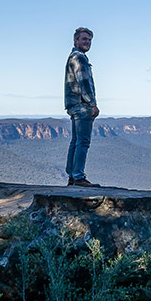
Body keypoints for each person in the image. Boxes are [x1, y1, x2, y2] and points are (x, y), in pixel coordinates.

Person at [64, 27, 100, 187]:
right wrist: (92, 104)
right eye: (84, 39)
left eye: (89, 40)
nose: (87, 42)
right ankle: (78, 176)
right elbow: (84, 82)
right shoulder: (80, 58)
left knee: (76, 141)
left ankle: (72, 174)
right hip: (82, 105)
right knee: (83, 142)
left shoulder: (72, 57)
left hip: (73, 105)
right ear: (76, 40)